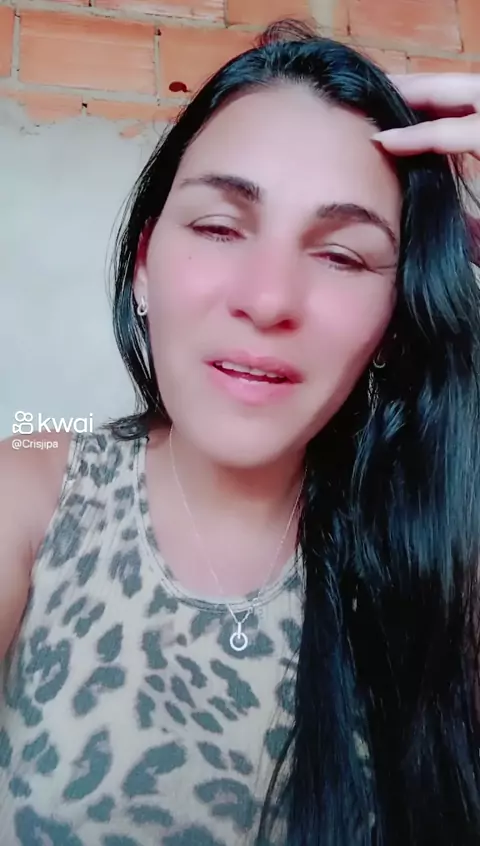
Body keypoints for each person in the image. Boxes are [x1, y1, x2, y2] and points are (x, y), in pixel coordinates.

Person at [1, 16, 480, 846]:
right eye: (220, 228)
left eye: (341, 256)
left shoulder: (440, 549)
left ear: (395, 323)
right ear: (143, 264)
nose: (267, 300)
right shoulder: (31, 488)